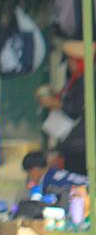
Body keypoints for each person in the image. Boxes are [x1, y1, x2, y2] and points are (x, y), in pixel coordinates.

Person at [37, 40, 92, 176]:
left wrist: (53, 103)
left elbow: (79, 108)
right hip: (73, 142)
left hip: (80, 145)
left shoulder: (88, 79)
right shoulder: (78, 79)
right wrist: (55, 94)